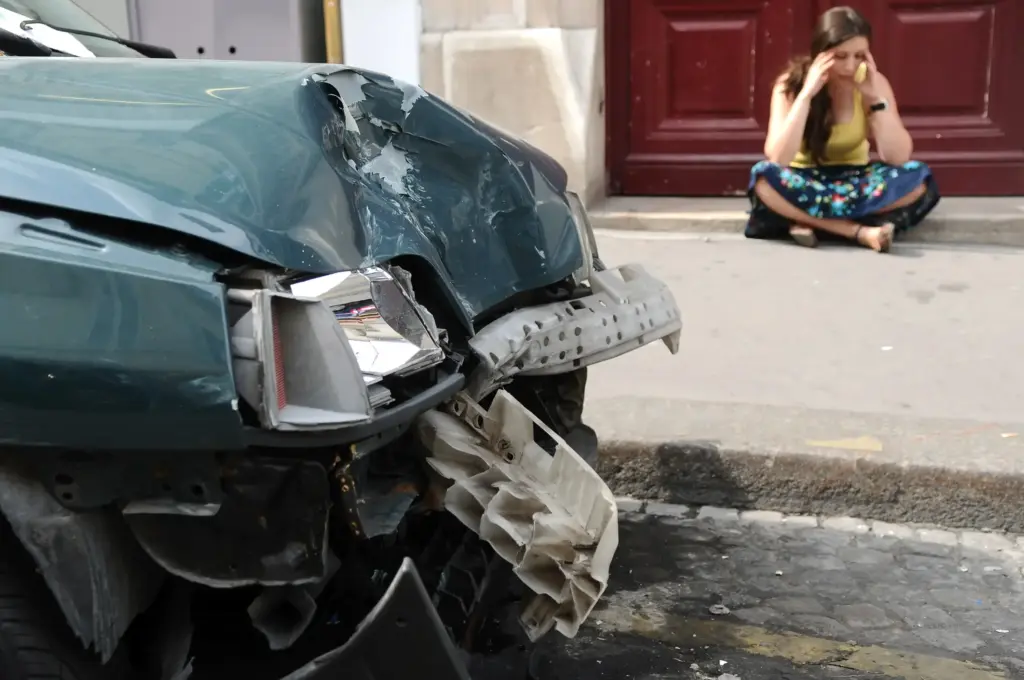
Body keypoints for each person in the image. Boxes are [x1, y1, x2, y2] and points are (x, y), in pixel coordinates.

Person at [744, 6, 940, 252]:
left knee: (919, 177)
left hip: (855, 178)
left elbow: (898, 157)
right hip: (804, 179)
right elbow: (778, 158)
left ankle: (806, 220)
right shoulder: (790, 85)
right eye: (840, 56)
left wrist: (875, 101)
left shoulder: (872, 81)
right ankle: (859, 231)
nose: (850, 66)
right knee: (763, 179)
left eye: (859, 56)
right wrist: (806, 97)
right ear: (820, 54)